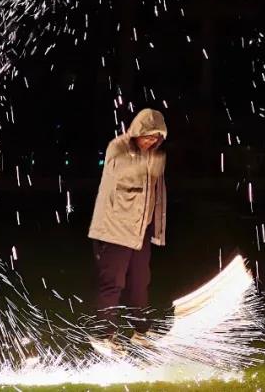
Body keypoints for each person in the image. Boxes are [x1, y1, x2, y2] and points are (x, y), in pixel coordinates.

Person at [87, 108, 167, 354]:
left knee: (140, 282)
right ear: (136, 132)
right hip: (114, 229)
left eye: (156, 137)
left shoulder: (153, 156)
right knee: (113, 283)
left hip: (139, 232)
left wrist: (156, 229)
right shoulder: (118, 148)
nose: (150, 141)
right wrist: (149, 164)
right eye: (147, 136)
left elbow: (157, 195)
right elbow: (121, 173)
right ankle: (103, 334)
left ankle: (141, 332)